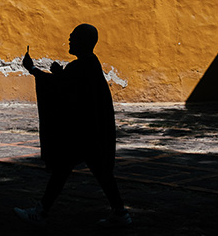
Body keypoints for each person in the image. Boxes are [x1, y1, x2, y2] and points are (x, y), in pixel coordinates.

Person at [14, 24, 132, 227]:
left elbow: (59, 90)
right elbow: (72, 88)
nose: (69, 39)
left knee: (64, 171)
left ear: (83, 42)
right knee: (100, 173)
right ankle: (120, 213)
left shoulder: (80, 67)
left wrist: (32, 69)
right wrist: (60, 74)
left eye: (73, 37)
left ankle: (41, 213)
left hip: (82, 132)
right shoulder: (90, 64)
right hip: (92, 130)